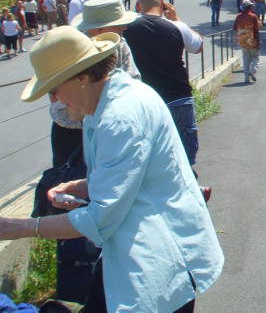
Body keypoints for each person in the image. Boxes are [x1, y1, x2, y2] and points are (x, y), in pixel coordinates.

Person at [0, 26, 224, 312]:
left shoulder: (119, 117)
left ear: (82, 77)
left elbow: (99, 219)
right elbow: (127, 175)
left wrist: (19, 227)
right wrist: (81, 186)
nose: (53, 99)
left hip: (160, 256)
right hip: (144, 251)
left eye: (53, 89)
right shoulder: (103, 101)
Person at [124, 0, 204, 166]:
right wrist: (177, 19)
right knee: (184, 153)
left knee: (154, 154)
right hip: (179, 98)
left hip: (146, 101)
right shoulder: (176, 27)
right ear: (163, 4)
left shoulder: (128, 29)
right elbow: (198, 47)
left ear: (138, 6)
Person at [234, 0, 262, 83]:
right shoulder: (253, 16)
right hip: (252, 40)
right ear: (249, 7)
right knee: (255, 57)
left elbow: (235, 28)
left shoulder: (238, 16)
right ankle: (252, 70)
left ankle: (246, 78)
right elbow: (256, 30)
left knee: (246, 60)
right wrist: (258, 41)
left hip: (242, 41)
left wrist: (237, 37)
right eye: (251, 6)